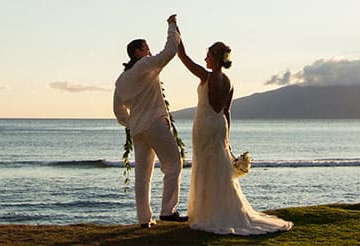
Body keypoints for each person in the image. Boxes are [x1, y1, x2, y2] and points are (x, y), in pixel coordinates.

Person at [177, 38, 293, 235]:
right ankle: (221, 211)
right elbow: (227, 112)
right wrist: (227, 141)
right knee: (219, 168)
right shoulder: (229, 83)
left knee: (205, 166)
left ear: (213, 58)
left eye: (207, 55)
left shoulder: (206, 76)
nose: (204, 58)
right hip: (220, 126)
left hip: (205, 125)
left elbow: (183, 56)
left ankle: (207, 214)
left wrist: (175, 32)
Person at [112, 14, 187, 228]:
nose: (149, 52)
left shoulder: (121, 80)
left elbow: (118, 111)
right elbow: (170, 51)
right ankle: (168, 211)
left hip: (138, 129)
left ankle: (145, 219)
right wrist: (172, 26)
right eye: (146, 48)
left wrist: (131, 122)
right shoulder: (145, 65)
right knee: (173, 164)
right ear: (138, 53)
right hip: (154, 122)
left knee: (142, 176)